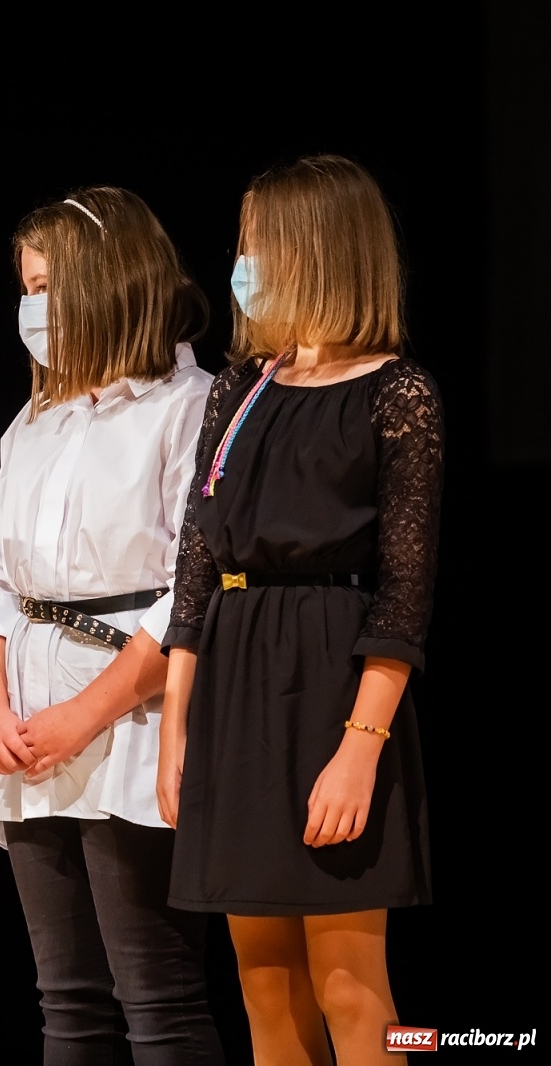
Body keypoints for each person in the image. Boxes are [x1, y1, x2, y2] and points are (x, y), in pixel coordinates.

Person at [157, 155, 439, 1066]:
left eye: (257, 245)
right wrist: (175, 729)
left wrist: (361, 751)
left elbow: (402, 596)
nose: (244, 263)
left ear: (314, 250)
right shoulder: (242, 391)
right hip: (235, 687)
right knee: (261, 980)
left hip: (331, 687)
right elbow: (196, 570)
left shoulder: (397, 394)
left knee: (353, 988)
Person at [0, 189, 225, 1065]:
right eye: (27, 289)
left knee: (157, 998)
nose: (34, 311)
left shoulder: (188, 407)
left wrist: (88, 714)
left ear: (114, 284)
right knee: (65, 1004)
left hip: (132, 721)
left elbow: (191, 587)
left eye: (52, 287)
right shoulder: (34, 422)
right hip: (30, 726)